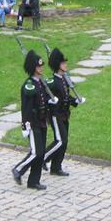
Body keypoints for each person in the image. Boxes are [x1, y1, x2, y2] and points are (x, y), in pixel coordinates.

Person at [12, 50, 50, 190]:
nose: (41, 68)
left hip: (42, 121)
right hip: (33, 122)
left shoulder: (40, 83)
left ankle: (34, 181)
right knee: (36, 152)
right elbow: (26, 108)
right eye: (39, 66)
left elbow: (44, 100)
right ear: (33, 68)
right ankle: (18, 169)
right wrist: (25, 125)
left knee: (41, 154)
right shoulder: (29, 85)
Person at [43, 48, 80, 176]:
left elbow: (66, 97)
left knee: (64, 142)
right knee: (61, 140)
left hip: (64, 114)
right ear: (58, 65)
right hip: (55, 114)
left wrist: (75, 101)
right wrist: (50, 100)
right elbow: (44, 95)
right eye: (63, 63)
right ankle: (43, 158)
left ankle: (56, 167)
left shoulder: (64, 80)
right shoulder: (52, 81)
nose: (66, 65)